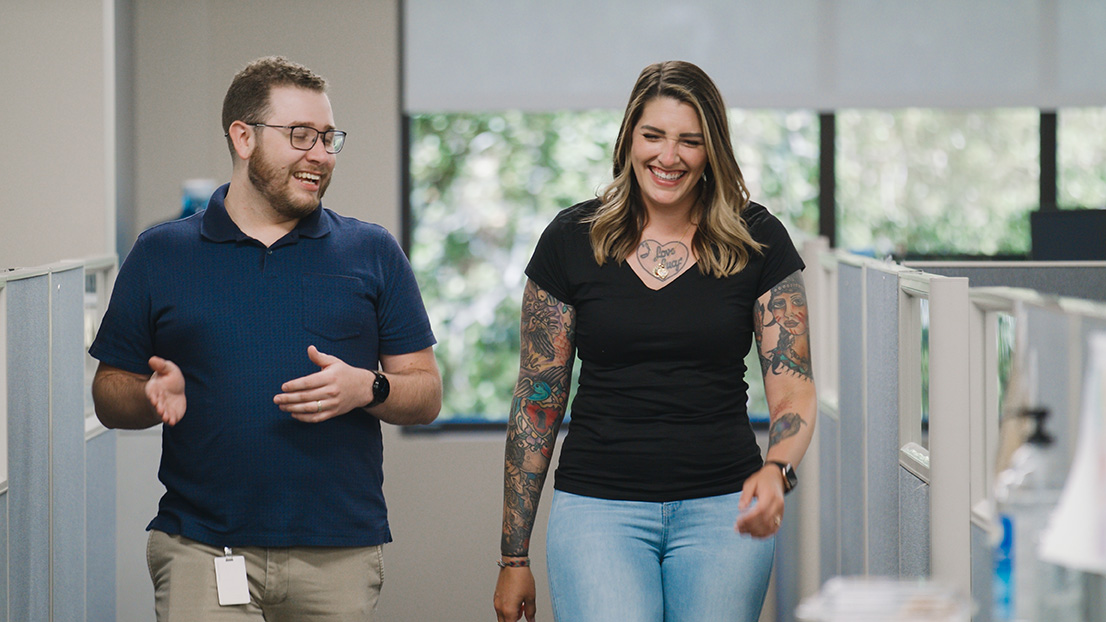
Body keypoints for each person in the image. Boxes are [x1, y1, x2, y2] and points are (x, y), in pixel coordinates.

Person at [90, 56, 441, 621]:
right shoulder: (161, 253)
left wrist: (367, 387)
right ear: (243, 136)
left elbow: (425, 393)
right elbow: (109, 393)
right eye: (301, 135)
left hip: (339, 555)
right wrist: (150, 394)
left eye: (329, 139)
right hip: (202, 549)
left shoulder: (372, 251)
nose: (321, 154)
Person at [493, 60, 817, 622]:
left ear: (711, 149)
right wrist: (512, 554)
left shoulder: (757, 239)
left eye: (689, 141)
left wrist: (778, 469)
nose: (668, 157)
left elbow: (793, 391)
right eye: (653, 136)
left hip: (724, 508)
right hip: (597, 508)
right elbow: (538, 401)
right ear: (628, 140)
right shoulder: (570, 240)